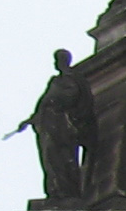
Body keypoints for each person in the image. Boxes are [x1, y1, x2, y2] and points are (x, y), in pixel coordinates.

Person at [12, 48, 97, 201]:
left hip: (62, 124)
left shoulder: (73, 79)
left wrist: (61, 108)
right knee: (49, 157)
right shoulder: (55, 81)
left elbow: (75, 98)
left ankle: (67, 191)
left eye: (58, 59)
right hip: (48, 124)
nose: (56, 63)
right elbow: (43, 103)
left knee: (63, 156)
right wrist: (29, 120)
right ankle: (55, 190)